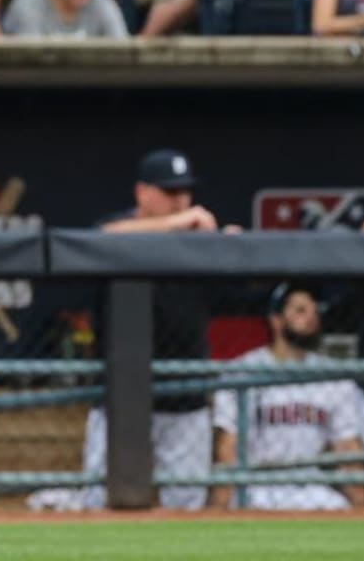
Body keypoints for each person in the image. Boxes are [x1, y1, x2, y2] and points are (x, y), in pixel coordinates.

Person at [79, 148, 236, 511]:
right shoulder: (120, 229)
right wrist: (177, 225)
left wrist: (231, 246)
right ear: (142, 193)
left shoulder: (200, 243)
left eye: (184, 192)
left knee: (185, 504)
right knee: (98, 502)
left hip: (184, 398)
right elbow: (99, 238)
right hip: (121, 397)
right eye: (169, 192)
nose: (180, 201)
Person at [210, 283, 364, 510]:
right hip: (257, 484)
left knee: (337, 507)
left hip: (310, 484)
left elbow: (348, 447)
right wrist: (217, 509)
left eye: (315, 312)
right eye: (301, 311)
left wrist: (362, 508)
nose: (312, 318)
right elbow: (227, 448)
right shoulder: (243, 370)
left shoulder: (332, 377)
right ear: (277, 320)